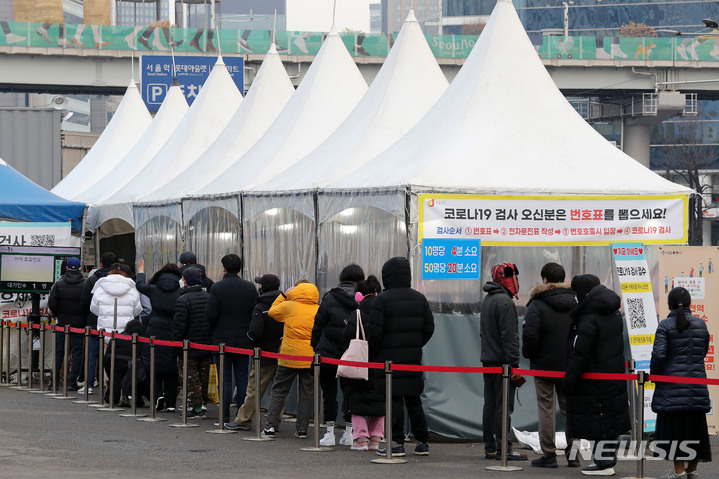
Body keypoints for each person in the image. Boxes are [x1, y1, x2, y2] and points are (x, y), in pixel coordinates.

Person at [562, 274, 630, 476]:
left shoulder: (589, 317)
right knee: (609, 418)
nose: (574, 298)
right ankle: (607, 460)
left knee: (598, 420)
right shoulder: (612, 311)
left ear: (583, 294)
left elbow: (580, 352)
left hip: (594, 377)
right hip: (612, 374)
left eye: (575, 294)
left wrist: (569, 380)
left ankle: (604, 462)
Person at [367, 257, 434, 457]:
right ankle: (422, 442)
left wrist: (375, 354)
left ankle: (396, 443)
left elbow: (374, 333)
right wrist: (414, 345)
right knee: (414, 400)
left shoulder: (382, 300)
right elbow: (429, 328)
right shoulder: (419, 298)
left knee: (393, 400)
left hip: (388, 360)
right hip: (412, 358)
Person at [650, 287, 712, 479]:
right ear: (689, 304)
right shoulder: (701, 324)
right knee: (695, 429)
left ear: (669, 304)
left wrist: (655, 375)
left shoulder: (665, 325)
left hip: (671, 387)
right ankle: (693, 470)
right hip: (696, 385)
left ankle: (678, 472)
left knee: (675, 431)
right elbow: (702, 352)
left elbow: (659, 355)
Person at [522, 262, 578, 468]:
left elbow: (529, 335)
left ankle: (549, 455)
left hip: (544, 365)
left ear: (544, 280)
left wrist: (530, 355)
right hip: (570, 365)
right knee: (569, 409)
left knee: (546, 409)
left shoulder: (537, 304)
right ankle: (574, 455)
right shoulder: (576, 302)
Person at [311, 263, 365, 446]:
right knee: (350, 393)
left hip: (328, 353)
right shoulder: (363, 300)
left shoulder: (330, 297)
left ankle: (329, 434)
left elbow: (317, 326)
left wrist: (315, 348)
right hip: (352, 354)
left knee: (329, 394)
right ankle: (349, 432)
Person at [480, 262, 527, 461]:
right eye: (512, 275)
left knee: (490, 405)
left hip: (489, 361)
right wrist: (514, 364)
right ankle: (504, 449)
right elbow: (510, 337)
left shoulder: (488, 300)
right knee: (503, 408)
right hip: (503, 364)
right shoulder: (505, 303)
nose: (515, 279)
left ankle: (490, 447)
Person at [262, 280, 320, 439]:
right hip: (310, 357)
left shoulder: (289, 306)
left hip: (289, 356)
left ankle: (270, 428)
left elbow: (272, 312)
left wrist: (284, 295)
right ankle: (302, 430)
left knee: (279, 391)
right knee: (307, 393)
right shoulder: (318, 309)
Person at [225, 274, 283, 431]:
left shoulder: (261, 306)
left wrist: (250, 339)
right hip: (283, 352)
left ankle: (243, 420)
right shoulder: (286, 303)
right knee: (279, 390)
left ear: (263, 287)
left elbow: (255, 332)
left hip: (263, 354)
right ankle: (274, 422)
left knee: (254, 390)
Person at [206, 254, 258, 424]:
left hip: (222, 338)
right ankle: (242, 417)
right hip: (243, 339)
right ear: (240, 269)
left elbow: (211, 314)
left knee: (224, 379)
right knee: (243, 379)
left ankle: (224, 416)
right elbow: (254, 314)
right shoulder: (250, 288)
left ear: (224, 268)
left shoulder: (217, 288)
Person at [342, 275, 384, 451]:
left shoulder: (357, 313)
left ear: (360, 295)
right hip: (381, 363)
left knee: (357, 400)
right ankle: (375, 438)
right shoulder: (385, 311)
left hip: (360, 363)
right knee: (379, 402)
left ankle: (360, 439)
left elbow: (346, 337)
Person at [135, 260, 182, 412]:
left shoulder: (153, 288)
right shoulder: (181, 291)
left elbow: (139, 285)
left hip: (154, 329)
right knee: (172, 368)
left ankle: (157, 396)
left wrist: (141, 271)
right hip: (173, 330)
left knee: (152, 364)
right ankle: (170, 404)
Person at [172, 267, 213, 419]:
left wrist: (176, 345)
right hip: (206, 342)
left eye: (183, 278)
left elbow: (179, 326)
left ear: (188, 281)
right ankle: (202, 404)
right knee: (203, 376)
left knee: (190, 377)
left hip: (188, 344)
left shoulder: (183, 300)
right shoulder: (209, 297)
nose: (182, 281)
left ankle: (196, 408)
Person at [79, 251, 116, 394]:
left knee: (92, 354)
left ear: (101, 264)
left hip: (94, 321)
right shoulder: (122, 280)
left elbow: (84, 301)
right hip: (114, 323)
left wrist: (88, 316)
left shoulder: (93, 279)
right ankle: (112, 385)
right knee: (114, 354)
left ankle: (88, 384)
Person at [47, 257, 86, 392]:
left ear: (67, 268)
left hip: (62, 322)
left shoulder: (58, 284)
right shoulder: (85, 284)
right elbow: (87, 304)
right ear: (80, 268)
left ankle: (54, 381)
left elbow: (52, 304)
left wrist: (59, 315)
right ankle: (71, 380)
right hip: (79, 323)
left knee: (59, 352)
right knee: (76, 352)